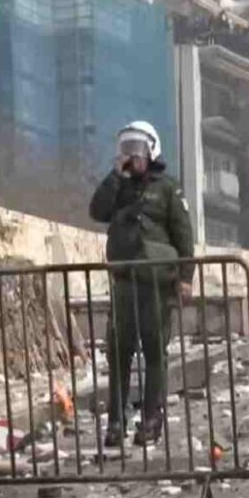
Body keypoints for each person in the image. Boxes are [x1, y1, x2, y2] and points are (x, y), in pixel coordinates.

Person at [89, 121, 194, 447]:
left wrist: (186, 278)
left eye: (138, 149)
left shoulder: (167, 188)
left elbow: (183, 234)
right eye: (127, 149)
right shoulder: (118, 187)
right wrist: (115, 176)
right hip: (124, 282)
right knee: (119, 353)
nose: (132, 156)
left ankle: (151, 420)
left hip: (157, 283)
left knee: (154, 353)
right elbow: (97, 211)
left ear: (151, 151)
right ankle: (116, 423)